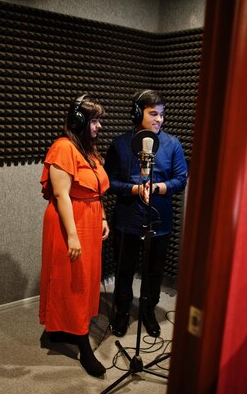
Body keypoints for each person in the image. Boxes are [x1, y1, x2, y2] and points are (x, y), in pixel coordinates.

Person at [105, 89, 188, 338]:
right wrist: (134, 188)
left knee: (154, 271)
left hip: (159, 221)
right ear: (137, 113)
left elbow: (180, 179)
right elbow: (108, 182)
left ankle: (148, 311)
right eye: (154, 114)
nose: (159, 119)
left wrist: (159, 187)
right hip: (127, 220)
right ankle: (121, 311)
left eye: (162, 115)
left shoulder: (172, 144)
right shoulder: (119, 145)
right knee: (124, 269)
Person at [39, 94, 110, 377]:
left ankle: (61, 328)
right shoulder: (63, 148)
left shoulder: (87, 150)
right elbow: (61, 195)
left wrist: (103, 216)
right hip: (71, 222)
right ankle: (83, 344)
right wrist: (72, 235)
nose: (99, 126)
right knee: (73, 281)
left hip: (90, 220)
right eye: (94, 120)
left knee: (84, 279)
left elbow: (95, 188)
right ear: (79, 120)